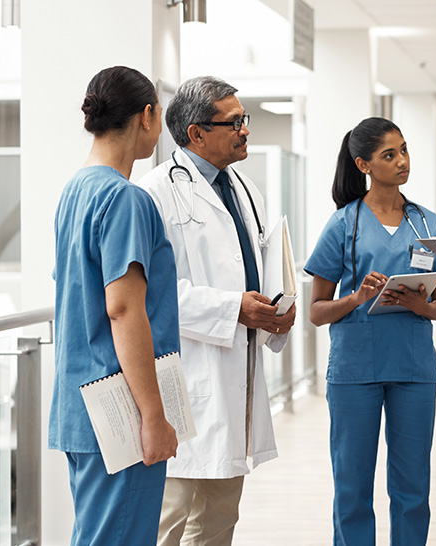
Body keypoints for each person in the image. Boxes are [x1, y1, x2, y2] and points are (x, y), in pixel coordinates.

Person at [136, 75, 295, 546]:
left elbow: (257, 267)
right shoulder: (155, 192)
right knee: (169, 518)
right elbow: (150, 293)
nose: (245, 130)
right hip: (186, 375)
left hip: (235, 371)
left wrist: (275, 313)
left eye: (245, 119)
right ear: (196, 133)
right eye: (234, 122)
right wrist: (232, 309)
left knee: (221, 516)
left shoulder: (244, 189)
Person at [304, 117, 436, 546]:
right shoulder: (343, 224)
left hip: (413, 369)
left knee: (413, 489)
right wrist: (355, 298)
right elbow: (316, 311)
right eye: (390, 154)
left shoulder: (428, 224)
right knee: (352, 487)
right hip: (355, 371)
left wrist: (420, 305)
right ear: (364, 165)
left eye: (404, 150)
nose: (402, 161)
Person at [50, 65, 179, 546]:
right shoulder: (124, 199)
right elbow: (124, 310)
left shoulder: (75, 191)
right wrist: (153, 417)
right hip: (120, 410)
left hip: (80, 405)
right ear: (146, 116)